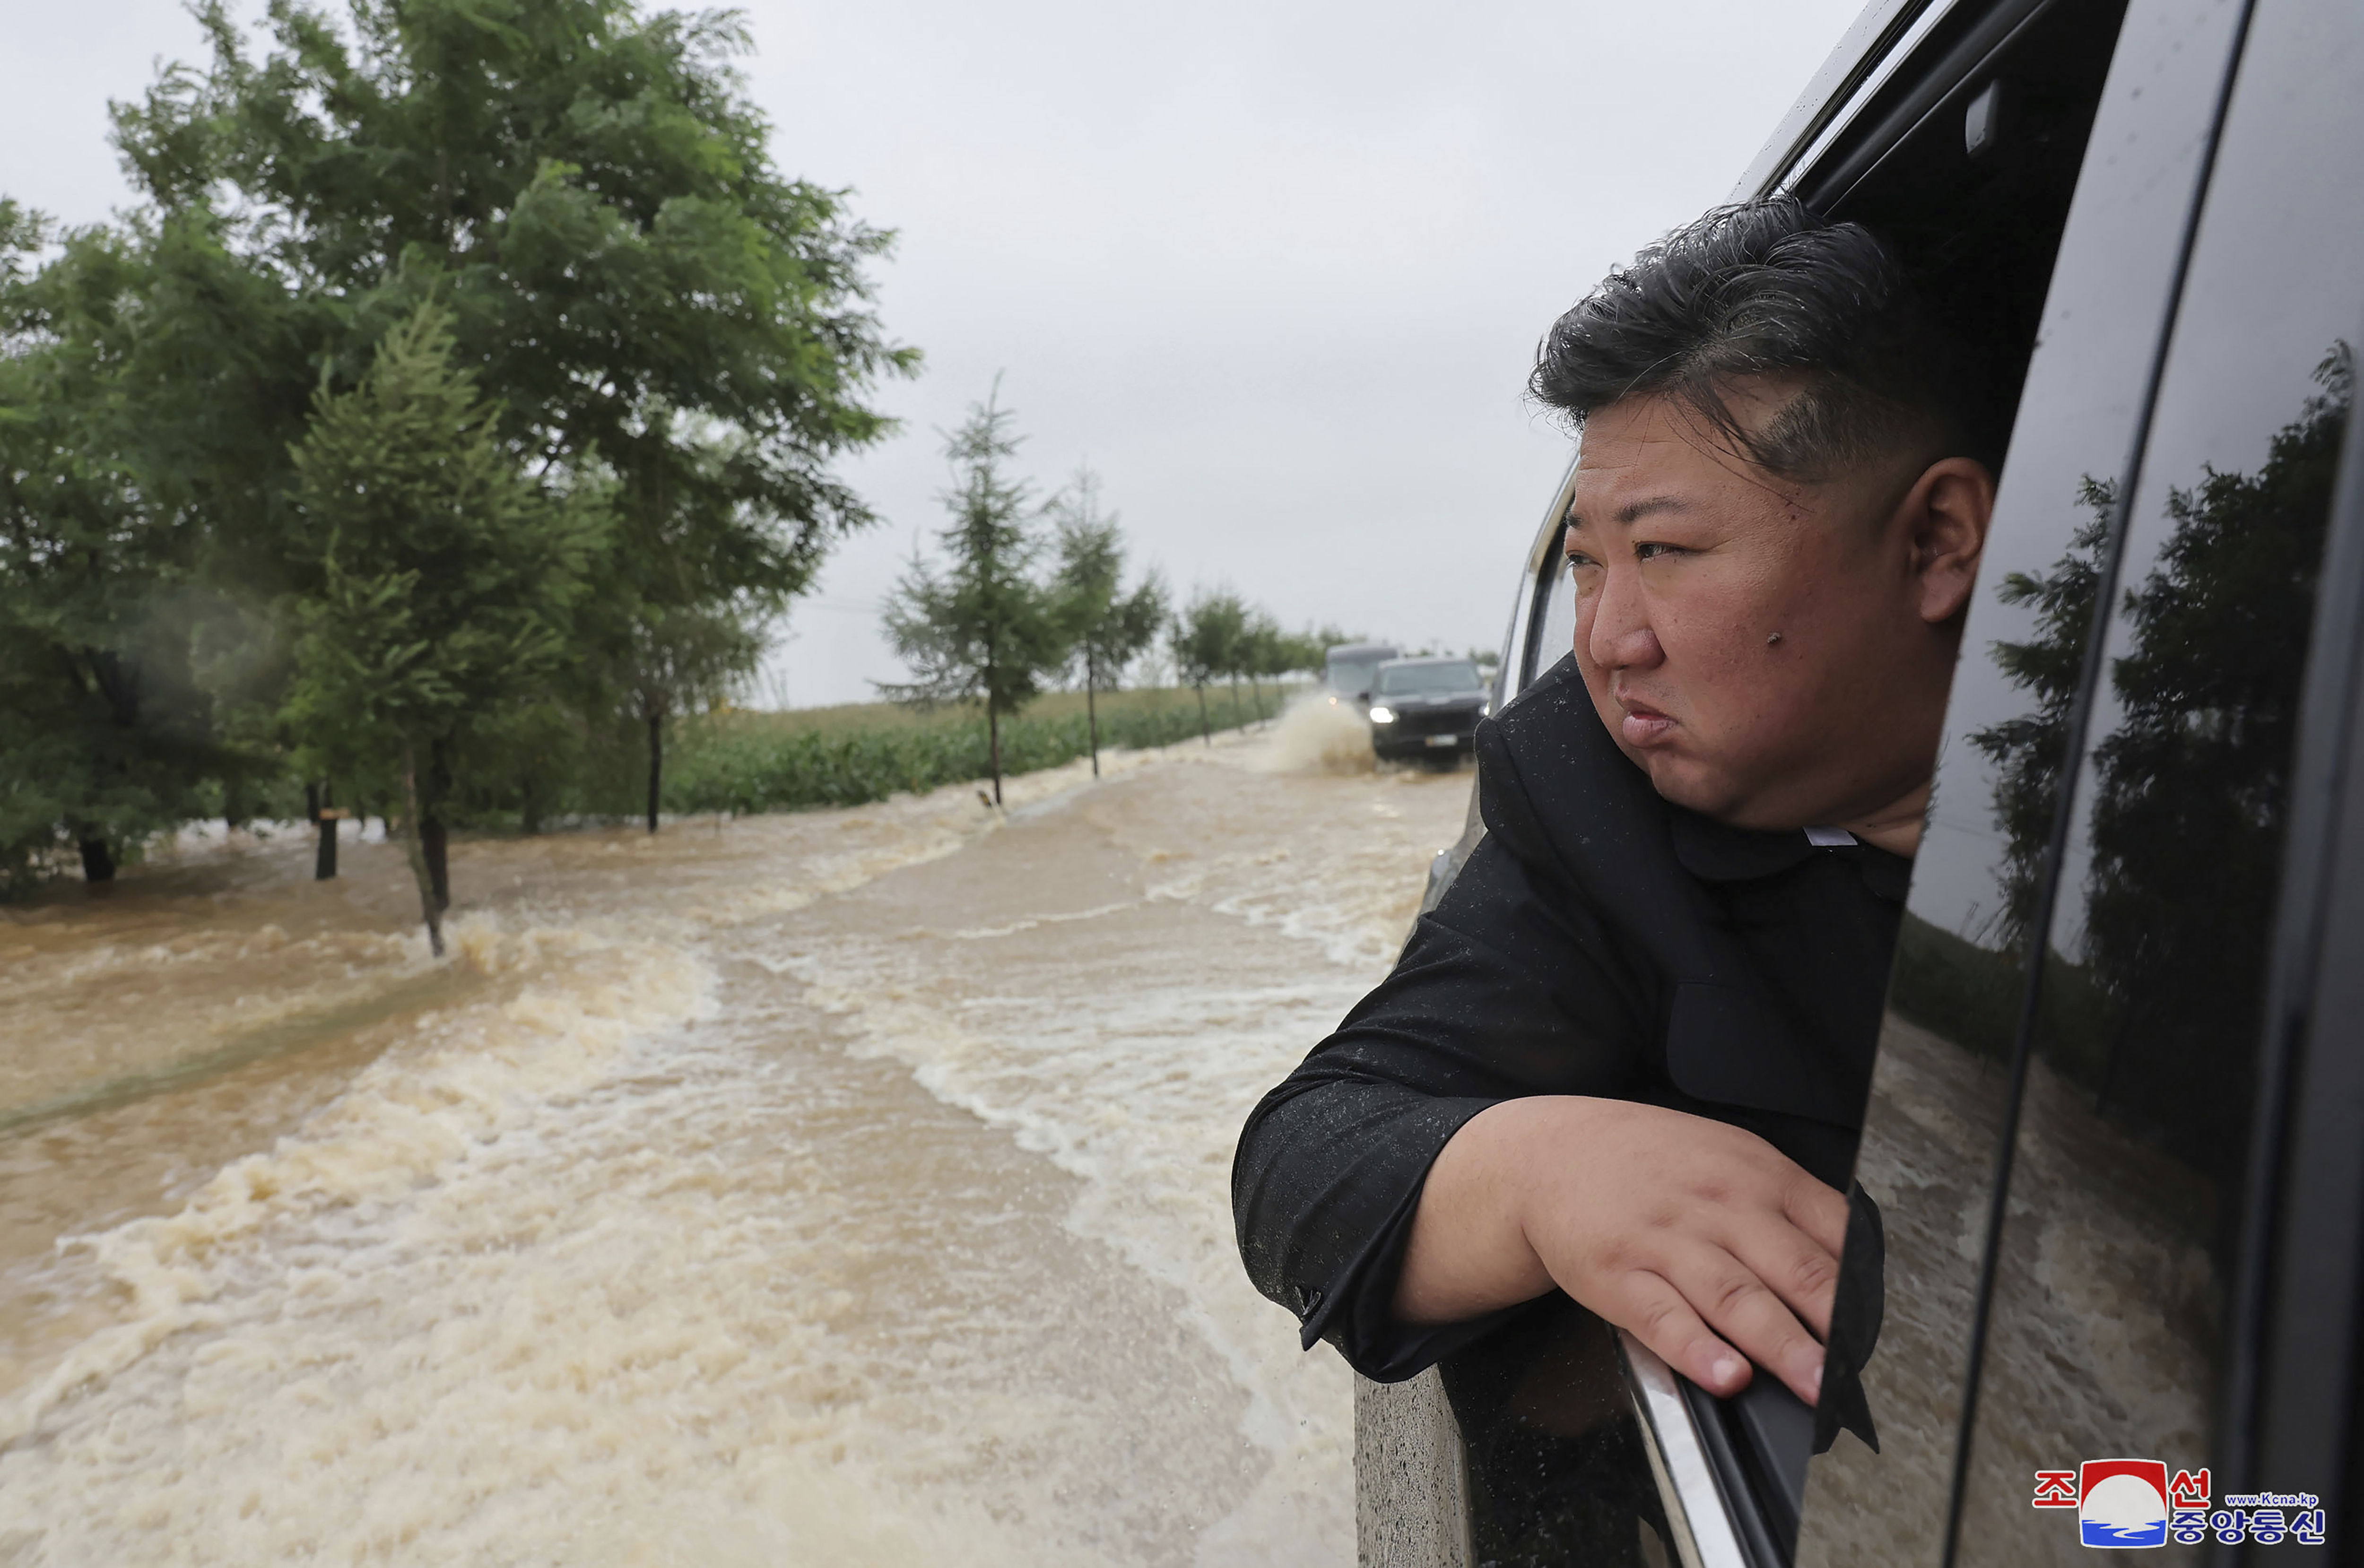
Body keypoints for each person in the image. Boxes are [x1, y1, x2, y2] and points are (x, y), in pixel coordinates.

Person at [1231, 199, 1999, 1436]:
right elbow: (1306, 1163)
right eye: (1589, 562)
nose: (1605, 640)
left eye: (1667, 553)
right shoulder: (1590, 794)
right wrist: (1538, 1174)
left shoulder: (2214, 796)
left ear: (1935, 543)